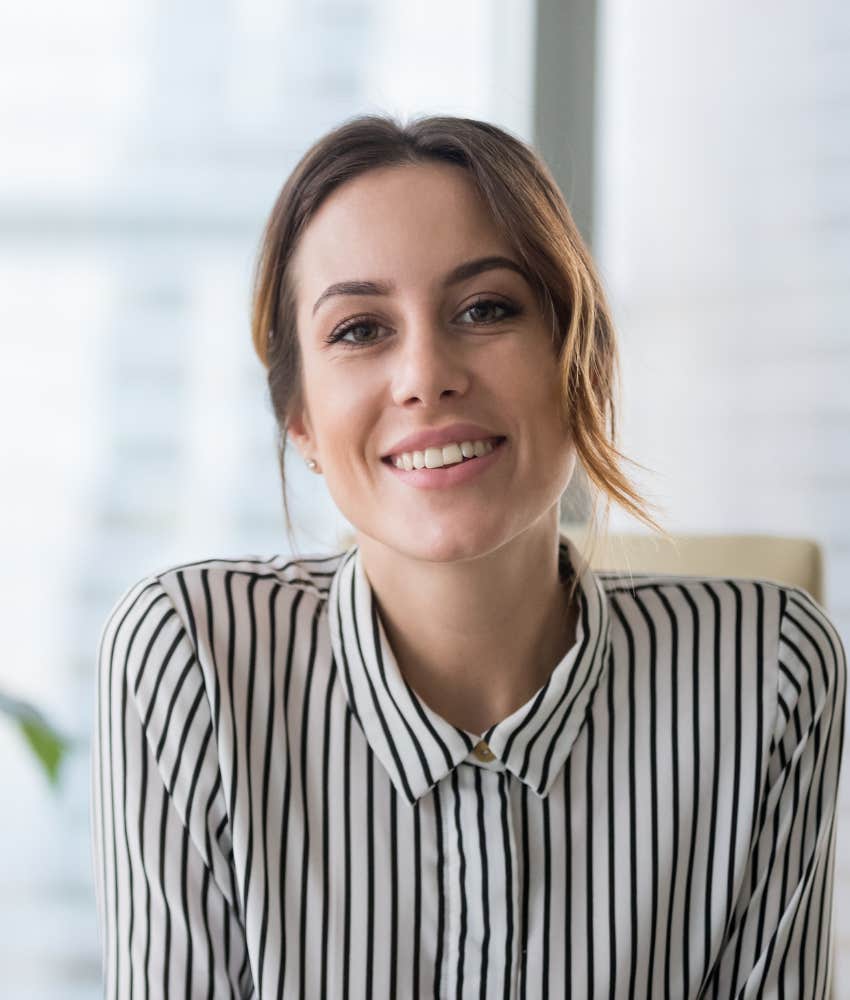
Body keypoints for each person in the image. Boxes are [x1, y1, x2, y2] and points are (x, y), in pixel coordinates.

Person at [91, 114, 846, 998]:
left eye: (485, 310)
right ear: (300, 423)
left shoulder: (768, 673)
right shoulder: (187, 660)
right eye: (360, 330)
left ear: (583, 364)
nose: (425, 375)